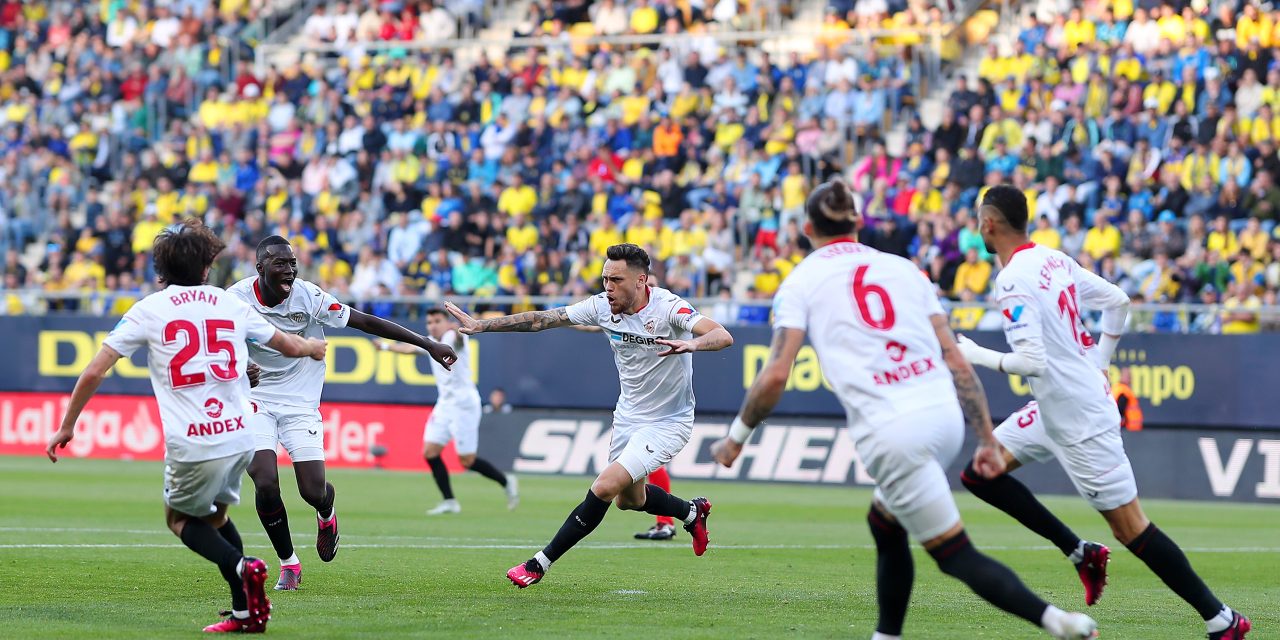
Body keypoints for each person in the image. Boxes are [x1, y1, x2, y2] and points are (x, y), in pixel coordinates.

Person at [707, 180, 1098, 640]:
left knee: (954, 554)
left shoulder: (800, 282)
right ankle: (886, 634)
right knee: (883, 520)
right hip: (944, 416)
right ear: (857, 223)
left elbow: (774, 376)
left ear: (807, 228)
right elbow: (955, 357)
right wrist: (986, 438)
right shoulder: (903, 269)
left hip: (892, 432)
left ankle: (1063, 625)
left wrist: (736, 437)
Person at [955, 186, 1251, 639]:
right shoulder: (1053, 259)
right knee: (981, 473)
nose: (978, 227)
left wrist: (974, 352)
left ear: (989, 224)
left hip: (1081, 420)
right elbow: (1118, 300)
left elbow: (1031, 361)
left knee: (1132, 528)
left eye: (980, 219)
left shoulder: (1012, 278)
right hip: (1055, 408)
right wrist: (1101, 361)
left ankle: (1223, 620)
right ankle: (1079, 551)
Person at [45, 220, 329, 633]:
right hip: (239, 435)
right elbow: (286, 344)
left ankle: (244, 567)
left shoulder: (149, 309)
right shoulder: (228, 303)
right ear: (205, 267)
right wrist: (312, 346)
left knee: (179, 519)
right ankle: (246, 611)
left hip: (193, 439)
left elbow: (94, 371)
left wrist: (67, 425)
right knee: (215, 516)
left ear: (161, 268)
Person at [444, 243, 734, 588]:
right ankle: (691, 512)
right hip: (628, 416)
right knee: (631, 501)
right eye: (604, 279)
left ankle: (539, 563)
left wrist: (694, 344)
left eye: (616, 280)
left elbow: (722, 334)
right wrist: (483, 326)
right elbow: (543, 319)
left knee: (605, 486)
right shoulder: (600, 306)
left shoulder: (670, 307)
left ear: (641, 281)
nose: (608, 287)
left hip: (668, 421)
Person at [227, 236, 457, 591]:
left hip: (301, 401)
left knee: (313, 490)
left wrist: (427, 344)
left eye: (292, 263)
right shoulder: (235, 300)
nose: (289, 270)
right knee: (265, 480)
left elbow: (364, 322)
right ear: (260, 269)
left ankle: (326, 514)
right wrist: (239, 367)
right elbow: (215, 347)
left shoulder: (309, 296)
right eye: (280, 264)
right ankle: (289, 563)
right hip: (255, 399)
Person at [380, 308, 519, 514]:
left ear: (446, 323)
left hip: (464, 405)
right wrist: (384, 346)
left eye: (437, 321)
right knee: (430, 452)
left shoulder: (453, 337)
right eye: (429, 322)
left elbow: (458, 339)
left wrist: (456, 330)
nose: (433, 325)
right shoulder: (430, 342)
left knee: (467, 461)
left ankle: (506, 481)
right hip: (445, 404)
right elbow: (409, 349)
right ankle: (450, 501)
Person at [1112, 367, 1142, 431]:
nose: (1130, 379)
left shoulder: (1116, 388)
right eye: (1128, 376)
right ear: (1122, 376)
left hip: (1122, 427)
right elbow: (1120, 409)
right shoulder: (1124, 391)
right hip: (1127, 429)